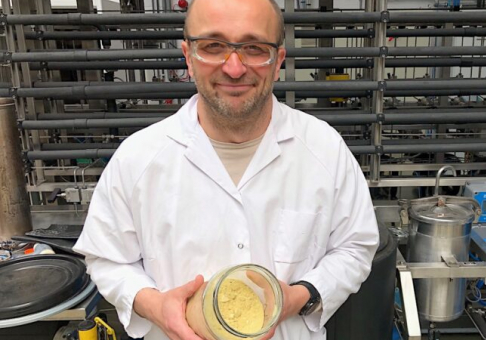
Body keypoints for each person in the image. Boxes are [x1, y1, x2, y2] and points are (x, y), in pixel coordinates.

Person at [73, 0, 379, 339]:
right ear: (188, 56)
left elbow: (355, 246)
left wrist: (300, 296)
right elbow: (107, 259)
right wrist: (155, 306)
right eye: (213, 46)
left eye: (254, 48)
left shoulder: (324, 150)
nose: (234, 68)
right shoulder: (138, 158)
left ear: (277, 61)